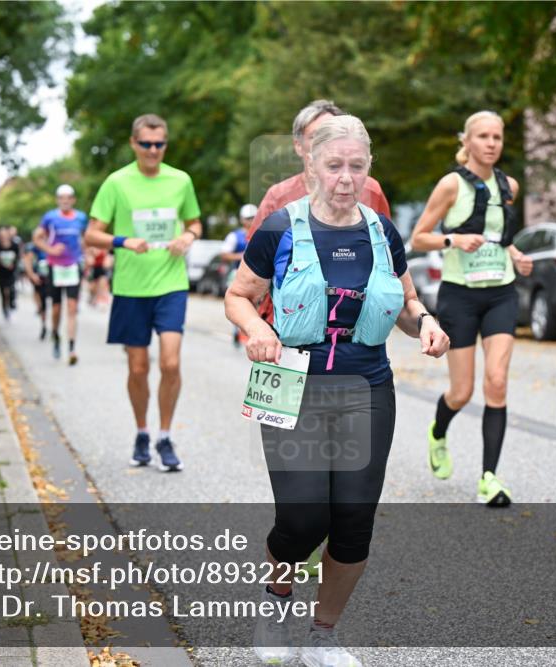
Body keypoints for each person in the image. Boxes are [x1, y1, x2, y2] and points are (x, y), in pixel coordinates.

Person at [226, 115, 449, 666]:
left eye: (356, 166)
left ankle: (323, 635)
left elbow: (406, 302)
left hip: (366, 386)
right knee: (304, 519)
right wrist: (256, 329)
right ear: (310, 166)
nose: (345, 178)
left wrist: (425, 323)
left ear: (367, 168)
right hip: (292, 383)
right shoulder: (278, 227)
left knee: (352, 523)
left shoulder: (381, 231)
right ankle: (276, 602)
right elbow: (237, 296)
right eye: (334, 166)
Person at [411, 110, 533, 507]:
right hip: (459, 295)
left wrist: (515, 253)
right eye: (483, 136)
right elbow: (419, 237)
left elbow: (500, 236)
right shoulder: (451, 185)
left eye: (497, 136)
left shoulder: (508, 185)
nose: (492, 143)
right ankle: (438, 432)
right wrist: (453, 241)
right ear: (467, 141)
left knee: (496, 381)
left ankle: (489, 478)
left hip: (500, 292)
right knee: (461, 392)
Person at [85, 114, 202, 472]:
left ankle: (165, 437)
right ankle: (141, 432)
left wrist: (188, 236)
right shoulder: (116, 183)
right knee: (138, 368)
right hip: (131, 289)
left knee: (170, 362)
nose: (153, 150)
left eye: (160, 144)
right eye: (147, 144)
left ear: (165, 144)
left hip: (171, 284)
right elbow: (91, 234)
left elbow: (195, 221)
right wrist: (123, 241)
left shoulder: (180, 180)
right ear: (134, 143)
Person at [246, 100, 393, 326]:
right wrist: (258, 327)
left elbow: (387, 253)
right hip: (291, 324)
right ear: (298, 146)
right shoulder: (278, 197)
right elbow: (254, 265)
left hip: (357, 326)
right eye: (318, 135)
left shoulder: (370, 190)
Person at [33, 185, 88, 365]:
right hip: (54, 267)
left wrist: (87, 256)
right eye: (61, 198)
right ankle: (55, 335)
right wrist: (50, 249)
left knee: (72, 308)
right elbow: (37, 237)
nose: (65, 201)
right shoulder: (50, 217)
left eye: (68, 198)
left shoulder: (81, 218)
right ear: (57, 200)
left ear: (73, 200)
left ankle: (72, 347)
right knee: (56, 309)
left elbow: (86, 239)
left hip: (73, 267)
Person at [220, 204, 257, 346]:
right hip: (238, 274)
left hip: (258, 277)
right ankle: (237, 329)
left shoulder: (261, 233)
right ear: (242, 220)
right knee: (239, 302)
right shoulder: (235, 236)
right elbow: (224, 254)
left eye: (253, 217)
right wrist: (241, 257)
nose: (251, 221)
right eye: (248, 218)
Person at [22, 239, 50, 341]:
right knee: (42, 303)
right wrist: (31, 275)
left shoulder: (55, 242)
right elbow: (27, 260)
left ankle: (54, 328)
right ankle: (44, 325)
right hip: (40, 278)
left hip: (53, 279)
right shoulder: (33, 247)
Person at [0, 227, 19, 320]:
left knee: (11, 289)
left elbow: (17, 257)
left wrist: (13, 264)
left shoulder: (14, 245)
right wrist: (1, 264)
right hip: (2, 272)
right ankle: (4, 309)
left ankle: (12, 303)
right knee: (3, 292)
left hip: (11, 272)